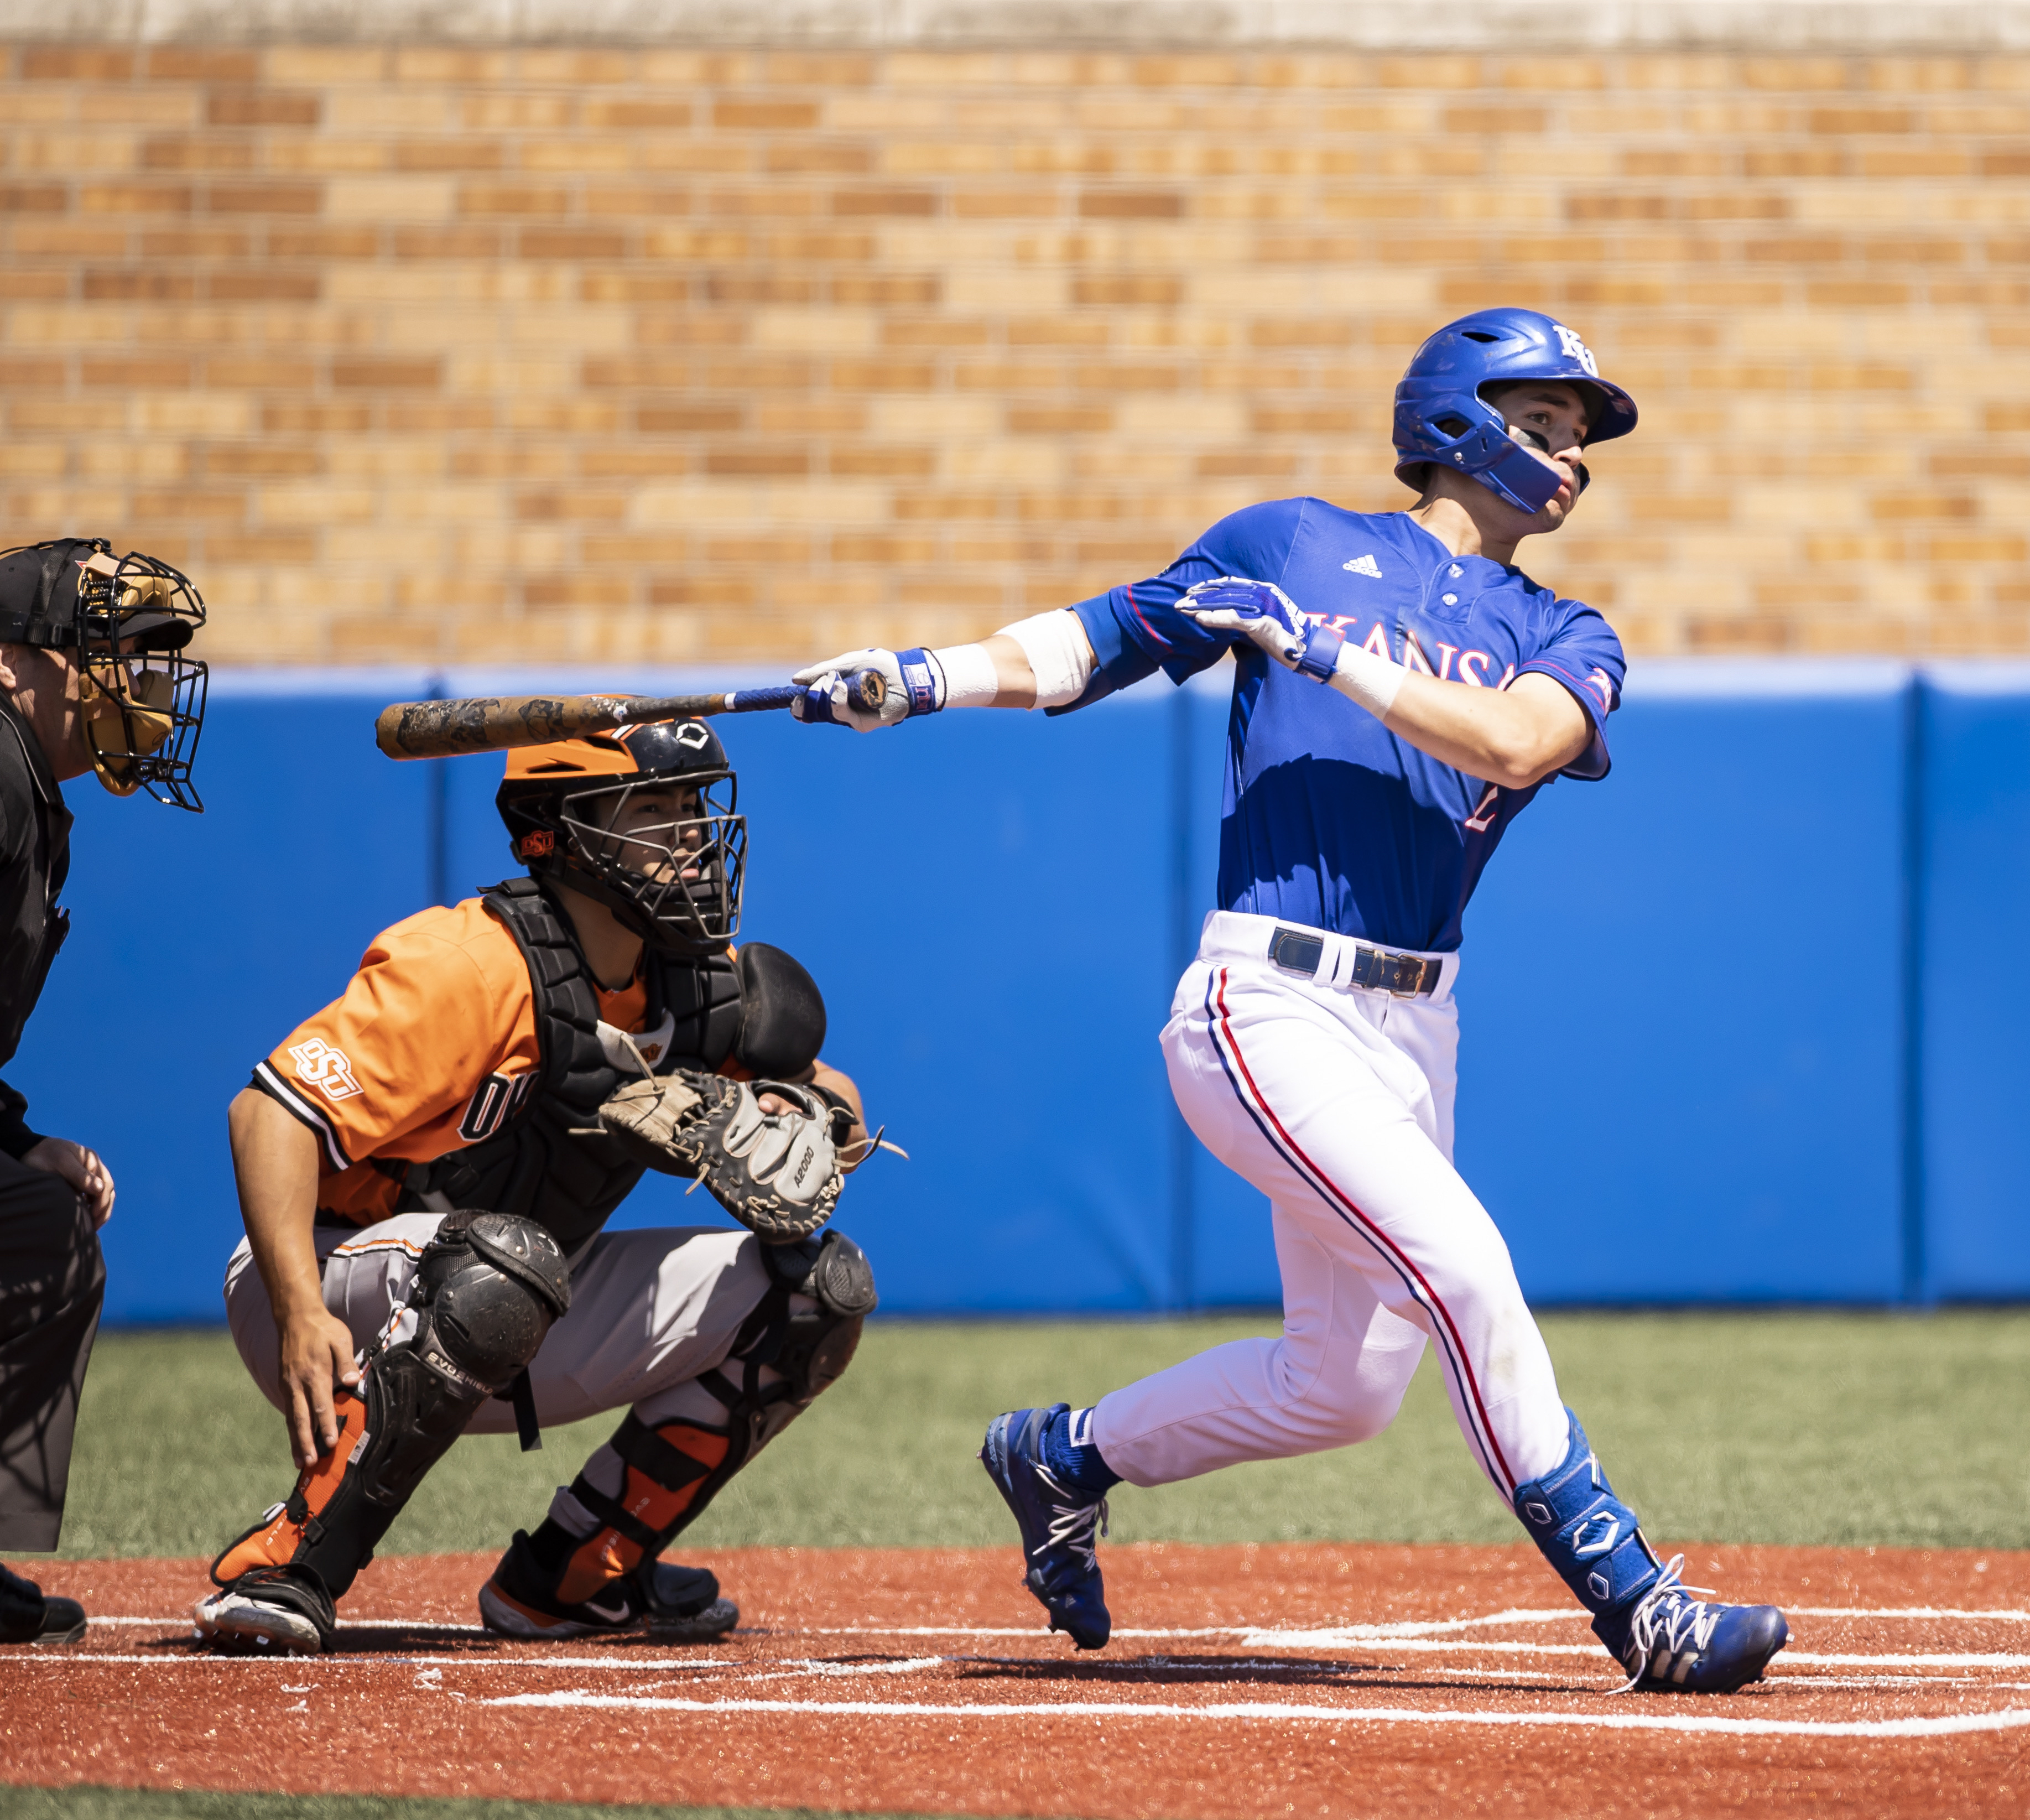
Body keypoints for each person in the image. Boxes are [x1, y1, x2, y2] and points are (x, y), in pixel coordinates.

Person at [786, 309, 1789, 1694]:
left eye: (1580, 435)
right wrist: (922, 677)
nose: (1569, 452)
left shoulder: (1569, 630)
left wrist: (1325, 654)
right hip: (1269, 1002)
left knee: (1344, 1385)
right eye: (1543, 419)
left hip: (1415, 1024)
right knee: (1465, 1265)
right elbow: (1095, 643)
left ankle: (1064, 1454)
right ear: (1456, 416)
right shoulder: (1289, 542)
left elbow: (1513, 737)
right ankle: (1639, 1603)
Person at [190, 719, 879, 1656]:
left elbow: (832, 1089)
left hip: (516, 1295)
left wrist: (813, 1121)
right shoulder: (469, 964)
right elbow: (267, 1113)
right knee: (504, 1263)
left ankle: (572, 1579)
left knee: (816, 1291)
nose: (691, 832)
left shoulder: (690, 981)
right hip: (326, 1285)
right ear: (562, 832)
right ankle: (290, 1564)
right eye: (657, 807)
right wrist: (301, 1311)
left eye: (694, 804)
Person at [0, 539, 209, 1649]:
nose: (145, 682)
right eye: (113, 651)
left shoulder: (24, 786)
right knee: (36, 1232)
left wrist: (15, 1139)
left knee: (40, 1222)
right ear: (10, 664)